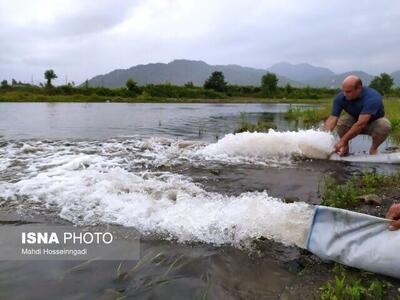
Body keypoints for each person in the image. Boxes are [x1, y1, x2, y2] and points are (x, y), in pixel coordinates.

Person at [324, 75, 391, 156]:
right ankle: (345, 148)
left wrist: (341, 141)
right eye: (343, 91)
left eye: (348, 91)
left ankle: (373, 149)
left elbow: (361, 124)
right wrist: (322, 137)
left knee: (385, 125)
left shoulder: (373, 97)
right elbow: (332, 119)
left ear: (359, 88)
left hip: (373, 123)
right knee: (341, 122)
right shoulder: (340, 98)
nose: (345, 94)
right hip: (355, 119)